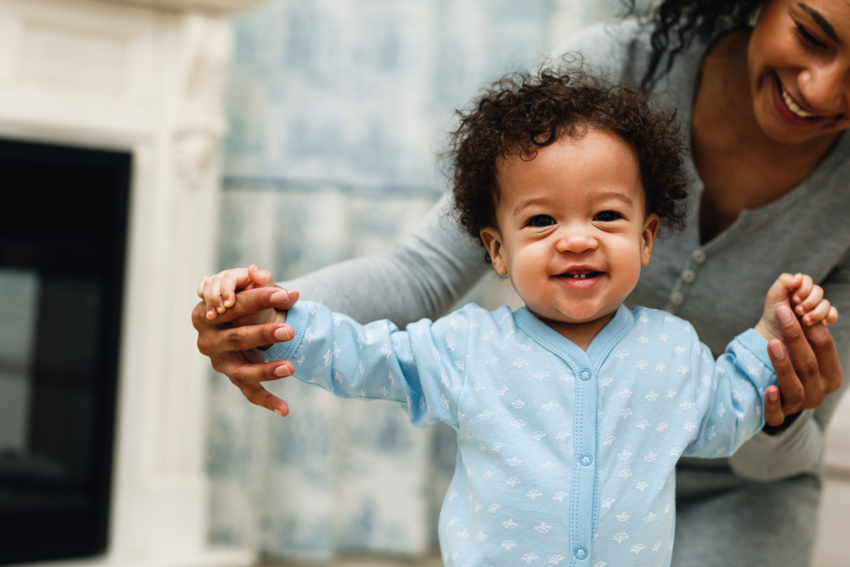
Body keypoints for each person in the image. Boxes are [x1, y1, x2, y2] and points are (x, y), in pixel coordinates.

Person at [192, 1, 849, 565]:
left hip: (747, 495)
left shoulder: (676, 354)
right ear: (496, 249)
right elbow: (372, 345)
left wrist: (775, 343)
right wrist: (270, 320)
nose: (821, 89)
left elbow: (735, 406)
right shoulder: (466, 348)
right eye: (814, 34)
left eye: (606, 215)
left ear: (648, 236)